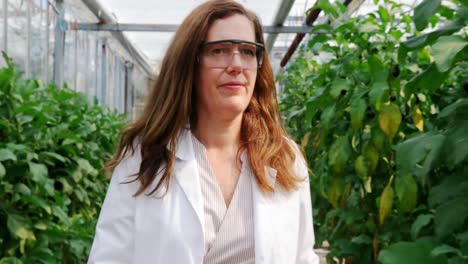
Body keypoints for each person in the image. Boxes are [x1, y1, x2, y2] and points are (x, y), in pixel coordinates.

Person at [88, 0, 320, 263]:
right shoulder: (145, 156)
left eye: (247, 51)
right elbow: (109, 257)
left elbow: (303, 256)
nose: (236, 64)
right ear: (190, 64)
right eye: (219, 50)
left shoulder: (284, 158)